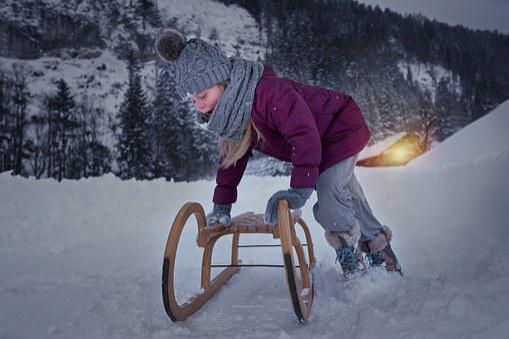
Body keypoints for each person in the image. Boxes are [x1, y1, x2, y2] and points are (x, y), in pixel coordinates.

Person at [155, 28, 401, 276]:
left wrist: (299, 191)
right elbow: (232, 159)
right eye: (193, 101)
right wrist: (221, 207)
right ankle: (382, 253)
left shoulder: (267, 93)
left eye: (202, 95)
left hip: (340, 126)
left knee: (329, 190)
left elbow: (303, 135)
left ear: (222, 82)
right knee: (344, 192)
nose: (199, 105)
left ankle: (353, 262)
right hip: (320, 139)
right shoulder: (232, 115)